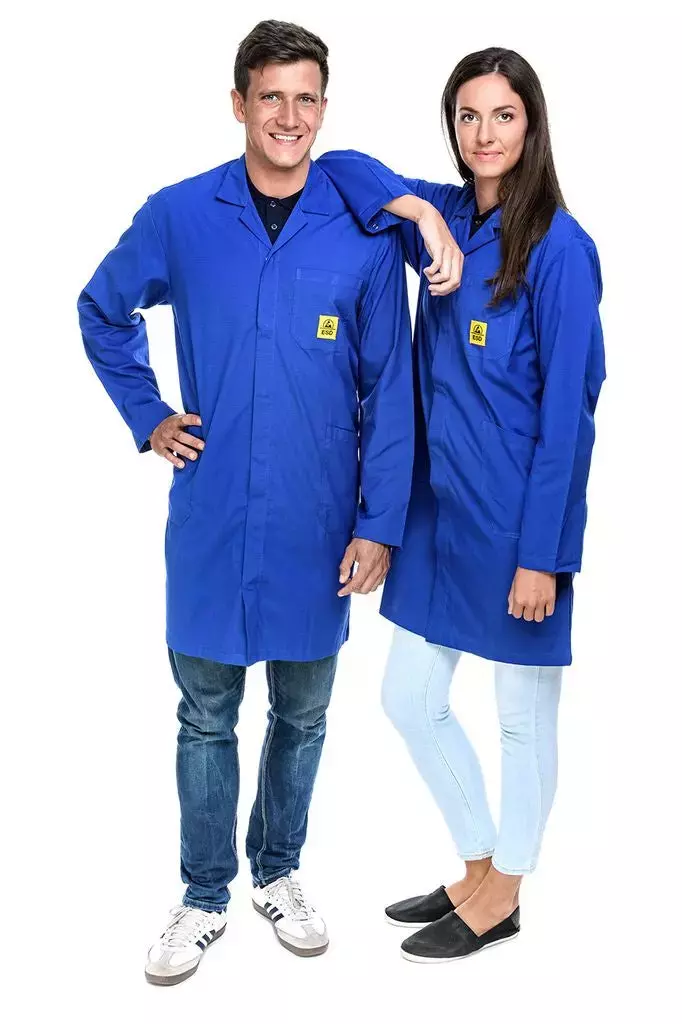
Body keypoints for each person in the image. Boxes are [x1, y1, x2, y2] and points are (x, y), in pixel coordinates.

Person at [78, 20, 413, 984]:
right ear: (239, 103)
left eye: (307, 98)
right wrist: (148, 415)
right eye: (272, 96)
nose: (289, 116)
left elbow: (390, 389)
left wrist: (379, 523)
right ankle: (203, 893)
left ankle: (279, 870)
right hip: (214, 512)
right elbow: (100, 308)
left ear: (324, 109)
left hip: (319, 521)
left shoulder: (359, 235)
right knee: (205, 717)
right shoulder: (181, 215)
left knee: (303, 715)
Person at [318, 46, 606, 963]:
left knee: (522, 717)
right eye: (468, 115)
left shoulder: (561, 249)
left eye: (503, 115)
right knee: (409, 697)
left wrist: (543, 557)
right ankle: (479, 864)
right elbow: (339, 167)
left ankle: (507, 892)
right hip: (438, 515)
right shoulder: (443, 215)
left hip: (518, 525)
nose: (484, 134)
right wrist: (417, 215)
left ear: (533, 124)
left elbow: (568, 419)